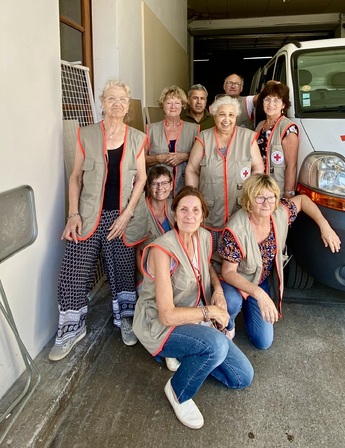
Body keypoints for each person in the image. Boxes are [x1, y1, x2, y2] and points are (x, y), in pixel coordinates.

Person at [133, 186, 253, 429]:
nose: (190, 215)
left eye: (195, 210)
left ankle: (187, 352)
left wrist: (217, 291)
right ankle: (178, 391)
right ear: (174, 214)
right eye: (184, 210)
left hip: (191, 316)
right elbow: (166, 315)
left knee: (242, 376)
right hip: (159, 324)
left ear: (203, 216)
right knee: (216, 345)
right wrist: (209, 313)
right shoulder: (161, 250)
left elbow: (206, 268)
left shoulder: (205, 237)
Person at [49, 79, 148, 361]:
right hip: (88, 215)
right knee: (73, 272)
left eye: (122, 100)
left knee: (123, 270)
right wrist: (72, 214)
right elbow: (76, 176)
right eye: (111, 99)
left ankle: (126, 322)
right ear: (102, 103)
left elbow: (141, 178)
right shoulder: (86, 134)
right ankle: (70, 330)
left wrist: (128, 213)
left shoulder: (138, 138)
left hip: (121, 216)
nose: (117, 104)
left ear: (128, 106)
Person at [218, 174, 341, 349]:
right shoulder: (236, 228)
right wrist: (259, 294)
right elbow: (228, 272)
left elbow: (303, 200)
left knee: (263, 342)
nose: (266, 203)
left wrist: (324, 226)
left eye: (271, 197)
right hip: (238, 282)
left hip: (260, 281)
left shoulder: (280, 213)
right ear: (248, 200)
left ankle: (248, 308)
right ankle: (228, 325)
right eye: (259, 197)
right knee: (231, 302)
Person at [185, 95, 264, 250]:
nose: (226, 119)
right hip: (210, 210)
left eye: (231, 115)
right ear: (214, 115)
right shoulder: (203, 138)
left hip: (241, 209)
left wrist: (253, 195)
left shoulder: (247, 137)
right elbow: (192, 170)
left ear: (236, 117)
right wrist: (193, 201)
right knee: (208, 255)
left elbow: (258, 168)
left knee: (236, 256)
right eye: (222, 114)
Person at [145, 86, 199, 195]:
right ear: (163, 106)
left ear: (182, 105)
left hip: (185, 187)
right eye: (169, 103)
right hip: (158, 190)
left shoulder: (194, 129)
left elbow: (202, 158)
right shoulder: (150, 129)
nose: (173, 106)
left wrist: (184, 156)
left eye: (177, 103)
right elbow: (141, 159)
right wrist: (159, 158)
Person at [255, 82, 299, 198]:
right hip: (259, 187)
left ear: (283, 105)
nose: (271, 104)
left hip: (276, 190)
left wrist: (288, 194)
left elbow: (291, 165)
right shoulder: (260, 126)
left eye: (276, 100)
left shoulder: (288, 128)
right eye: (267, 99)